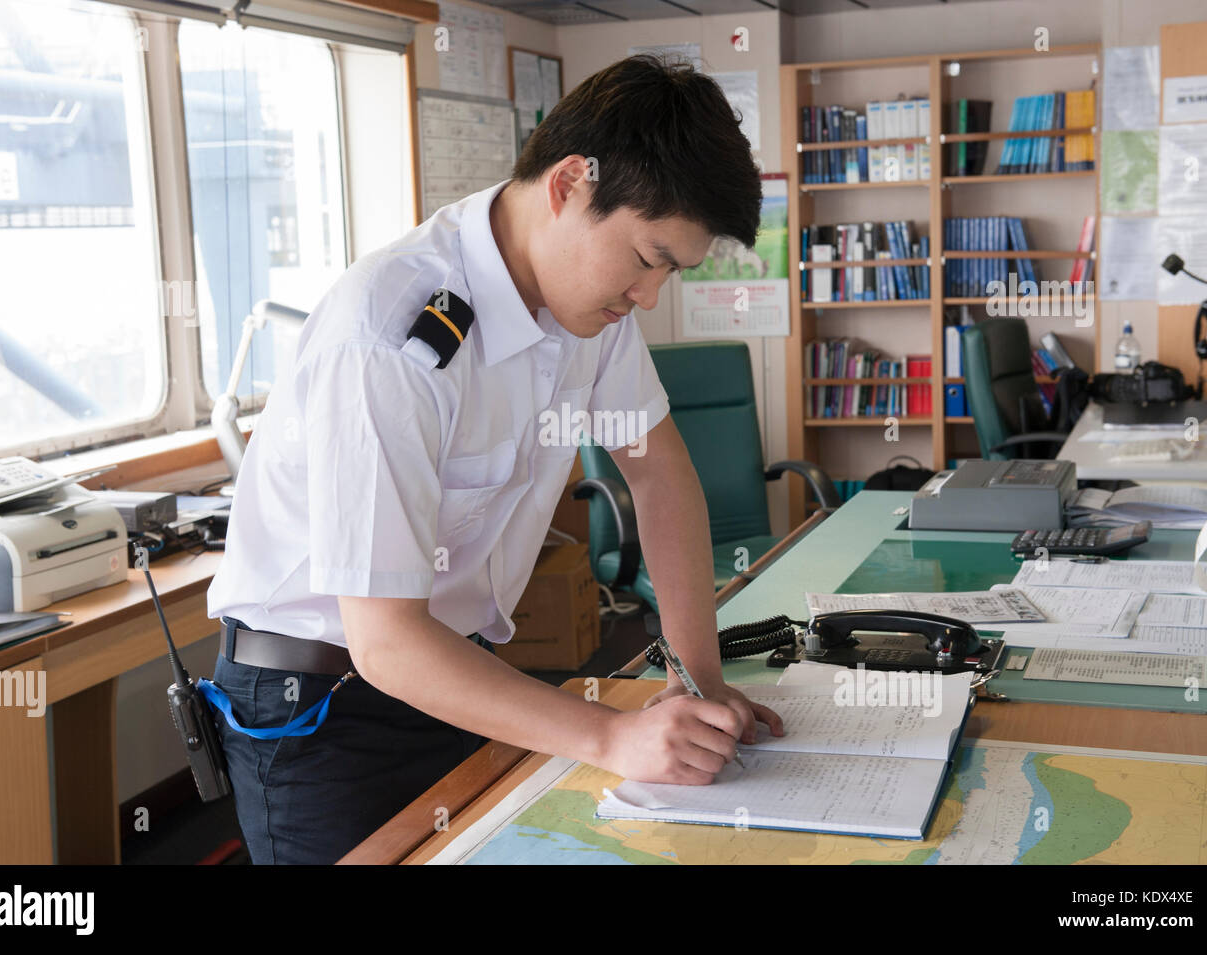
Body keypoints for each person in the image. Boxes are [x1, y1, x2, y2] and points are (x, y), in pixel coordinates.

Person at [205, 53, 784, 865]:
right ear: (569, 186)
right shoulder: (390, 333)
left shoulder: (592, 312)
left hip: (453, 675)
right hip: (323, 707)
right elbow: (385, 640)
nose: (651, 296)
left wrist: (700, 688)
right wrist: (614, 737)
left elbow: (660, 475)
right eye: (649, 258)